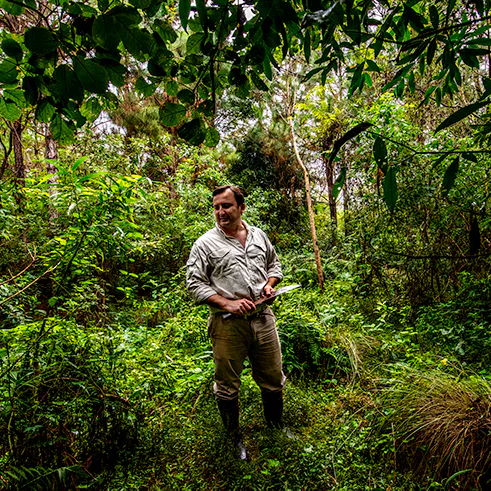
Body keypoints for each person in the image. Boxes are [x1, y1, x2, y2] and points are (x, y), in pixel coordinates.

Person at [186, 185, 287, 460]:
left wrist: (269, 285)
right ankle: (234, 439)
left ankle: (275, 426)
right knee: (227, 384)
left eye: (227, 206)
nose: (221, 212)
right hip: (228, 325)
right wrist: (227, 303)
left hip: (263, 318)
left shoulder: (258, 236)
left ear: (241, 207)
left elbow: (274, 266)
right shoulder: (205, 244)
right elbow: (194, 285)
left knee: (272, 377)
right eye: (217, 207)